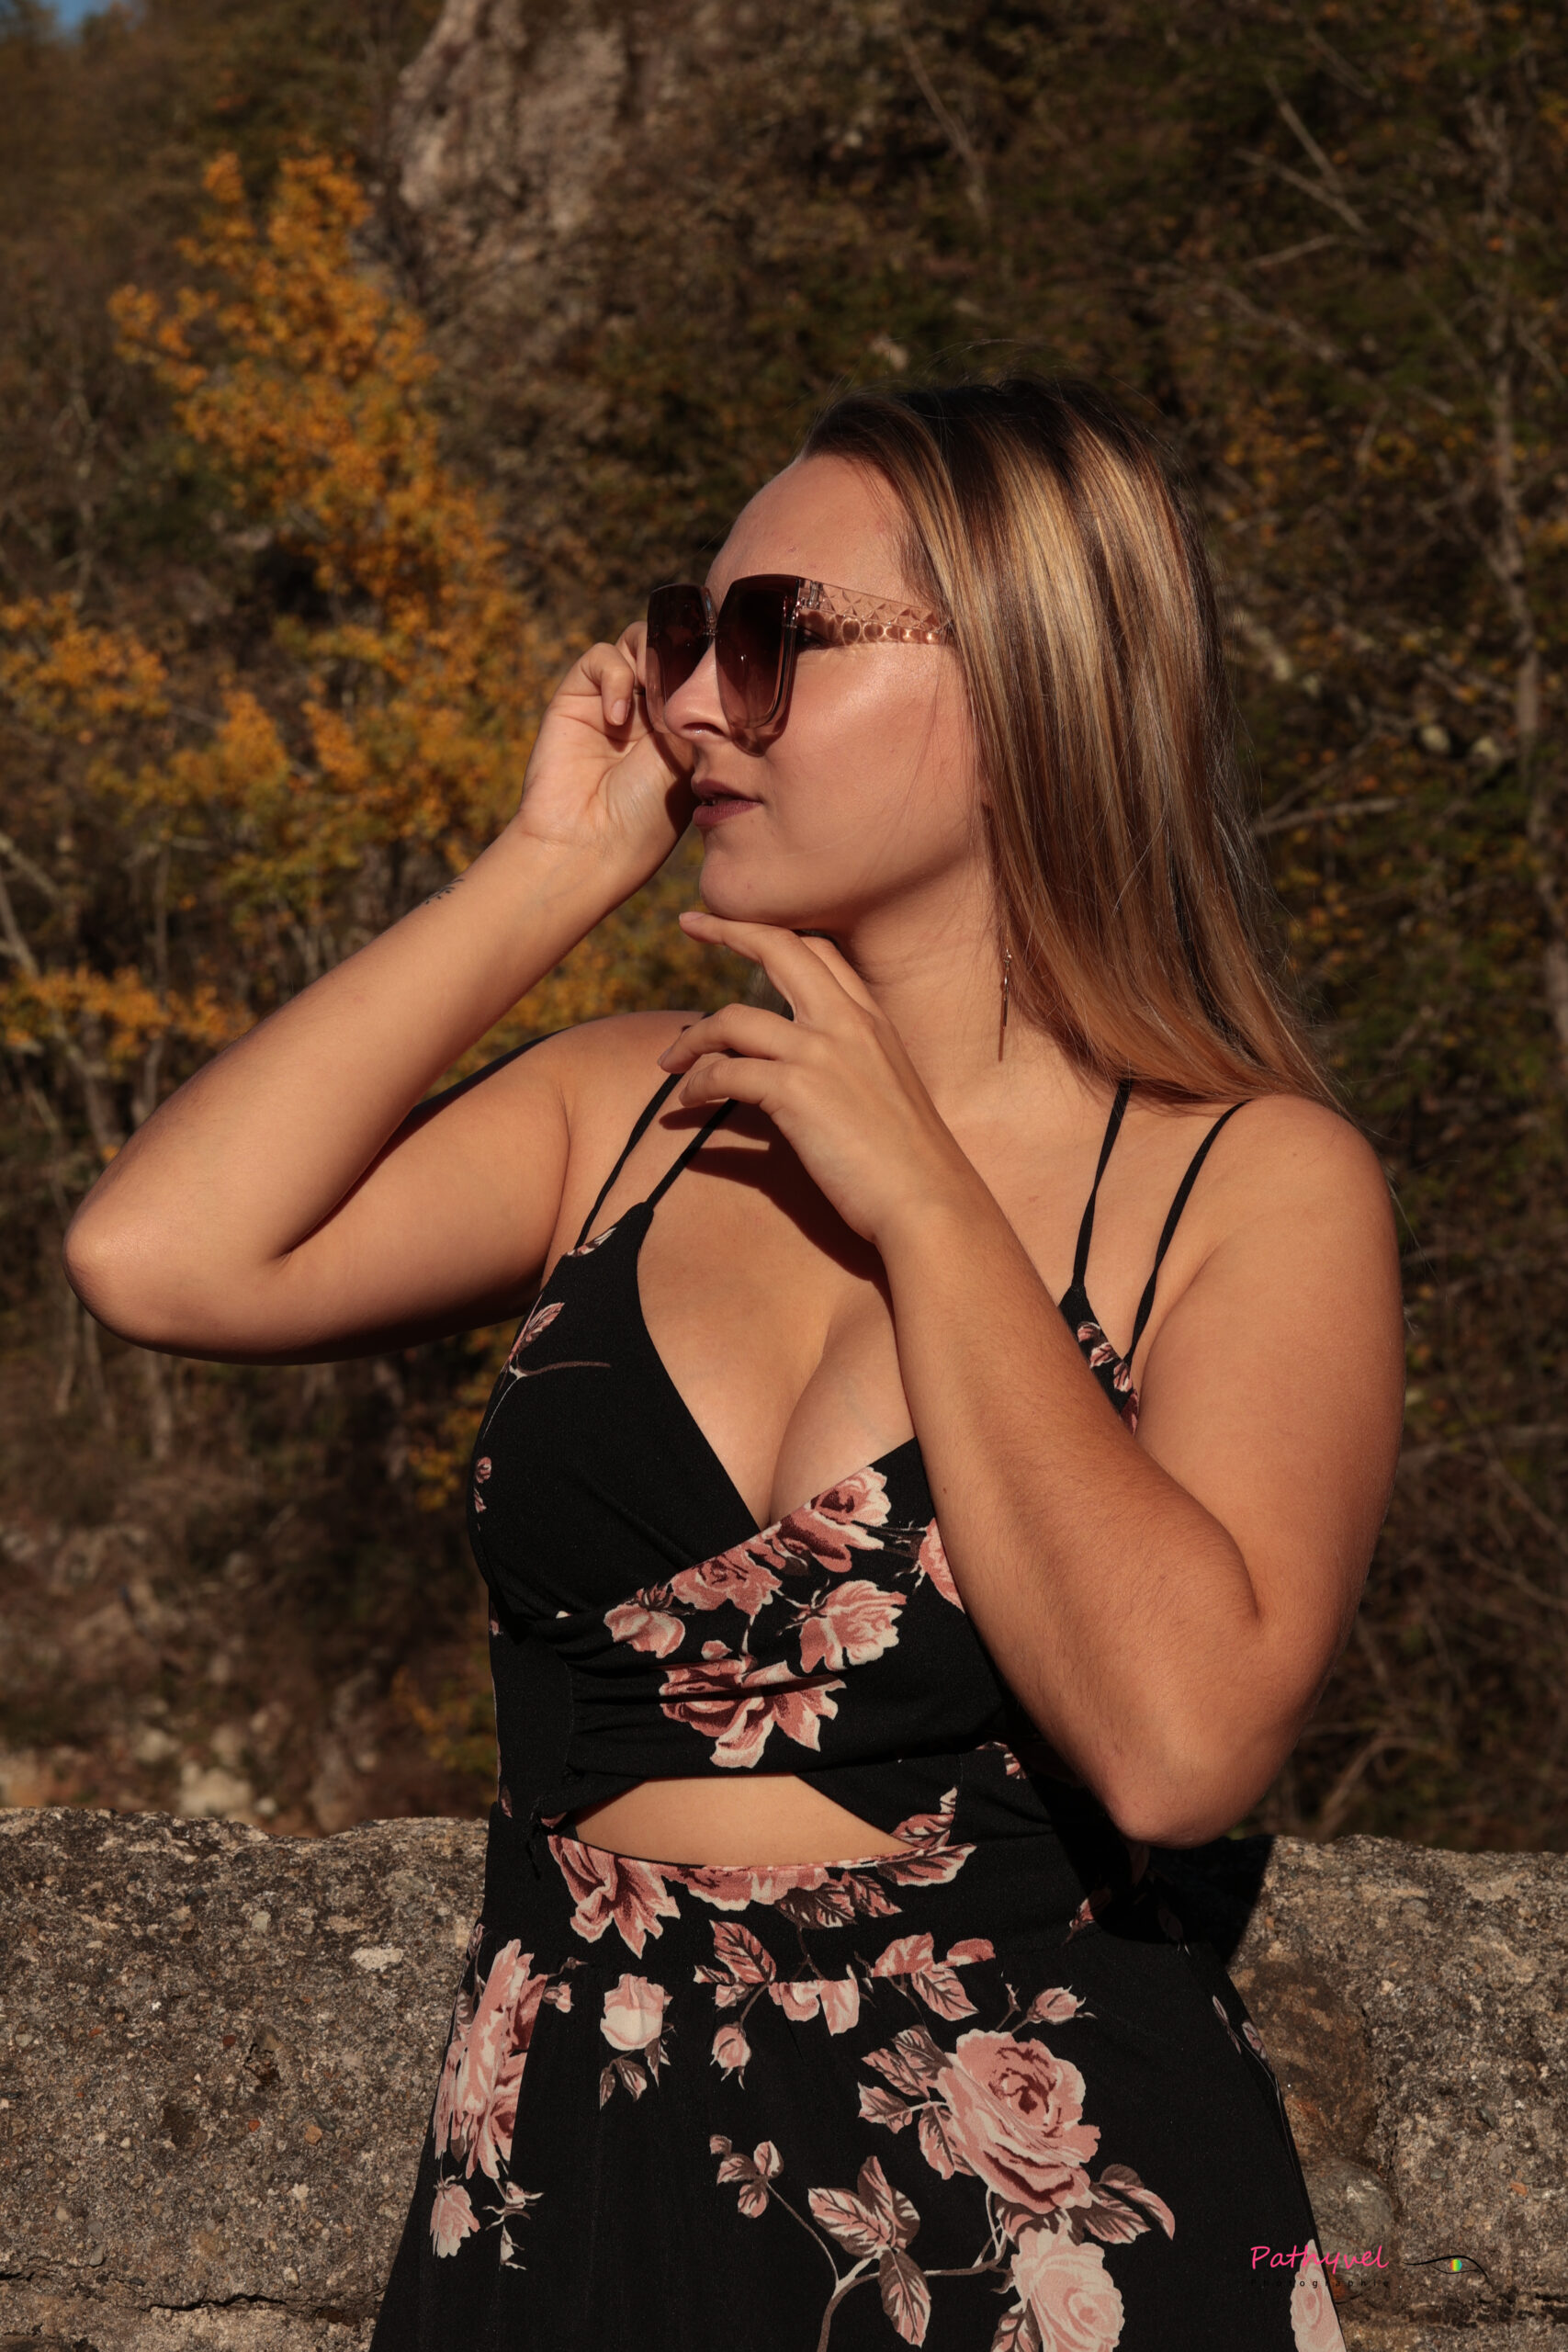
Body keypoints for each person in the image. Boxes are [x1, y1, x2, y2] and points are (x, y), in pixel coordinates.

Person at [65, 376, 1400, 2351]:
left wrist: (929, 1205)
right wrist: (547, 868)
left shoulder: (1250, 1182)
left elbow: (1180, 1744)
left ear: (1029, 678)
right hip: (567, 2182)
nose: (694, 701)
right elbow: (160, 1253)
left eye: (773, 636)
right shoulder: (629, 1107)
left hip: (1036, 2238)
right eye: (688, 633)